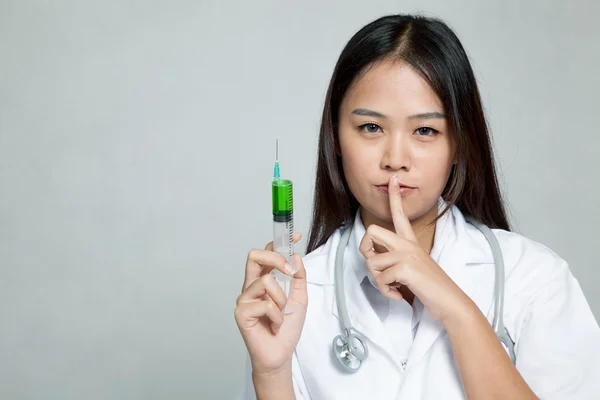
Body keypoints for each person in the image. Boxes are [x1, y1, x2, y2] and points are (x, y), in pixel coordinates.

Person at [234, 14, 600, 399]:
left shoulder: (535, 280)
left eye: (425, 130)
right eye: (371, 128)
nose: (395, 158)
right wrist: (271, 372)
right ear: (336, 139)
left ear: (459, 143)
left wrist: (455, 308)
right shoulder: (289, 297)